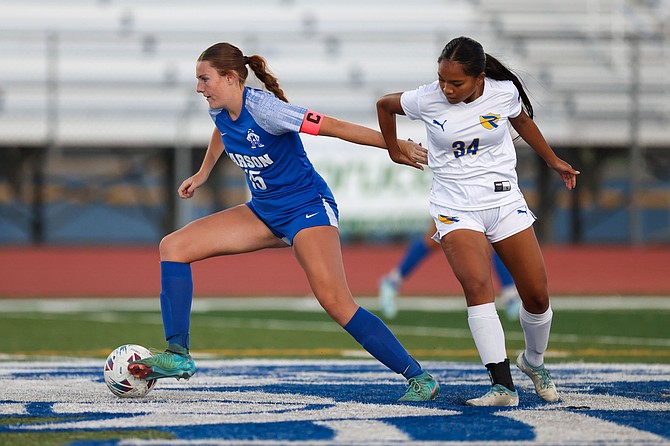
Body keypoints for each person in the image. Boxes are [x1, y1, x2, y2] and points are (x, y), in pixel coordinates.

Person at [127, 42, 439, 402]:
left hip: (307, 209)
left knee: (336, 302)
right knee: (173, 247)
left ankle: (419, 378)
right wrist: (202, 173)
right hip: (264, 212)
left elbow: (334, 127)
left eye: (204, 79)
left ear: (231, 78)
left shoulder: (267, 109)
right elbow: (221, 132)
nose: (199, 88)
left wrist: (395, 146)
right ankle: (178, 355)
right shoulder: (220, 107)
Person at [376, 36, 580, 406]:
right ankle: (501, 386)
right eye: (442, 80)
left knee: (536, 295)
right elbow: (384, 105)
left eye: (456, 83)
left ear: (479, 78)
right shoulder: (426, 98)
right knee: (477, 286)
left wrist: (552, 160)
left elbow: (524, 123)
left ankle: (533, 363)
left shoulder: (502, 93)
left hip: (503, 200)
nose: (447, 89)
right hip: (453, 205)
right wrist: (394, 150)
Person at [379, 223, 521, 320]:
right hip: (453, 189)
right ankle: (393, 280)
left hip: (477, 188)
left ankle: (510, 293)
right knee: (434, 237)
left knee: (492, 235)